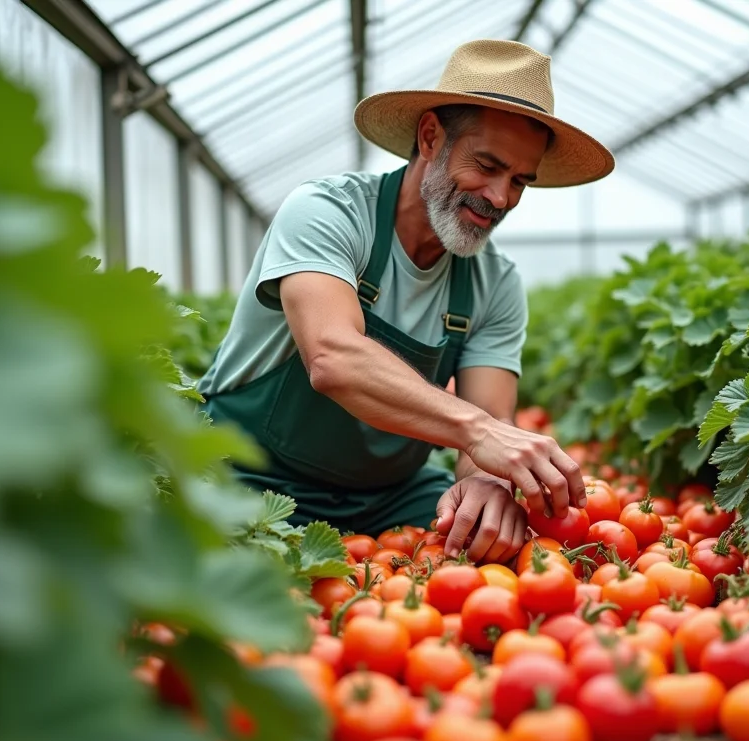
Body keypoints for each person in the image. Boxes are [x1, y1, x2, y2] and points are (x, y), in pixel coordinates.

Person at [197, 39, 615, 564]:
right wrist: (480, 434)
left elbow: (491, 416)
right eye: (486, 165)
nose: (499, 197)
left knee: (495, 550)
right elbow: (333, 358)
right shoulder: (328, 212)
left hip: (387, 497)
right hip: (249, 474)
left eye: (518, 181)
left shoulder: (495, 283)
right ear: (430, 136)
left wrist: (487, 481)